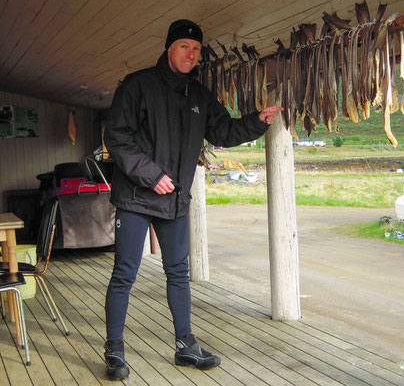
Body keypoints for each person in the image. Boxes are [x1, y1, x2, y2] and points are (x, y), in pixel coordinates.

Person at [103, 19, 282, 381]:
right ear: (170, 48)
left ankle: (186, 345)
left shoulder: (198, 95)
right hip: (138, 197)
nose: (192, 54)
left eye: (197, 49)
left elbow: (223, 131)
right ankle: (115, 351)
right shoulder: (138, 86)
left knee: (178, 274)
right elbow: (117, 138)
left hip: (174, 202)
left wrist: (257, 121)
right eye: (185, 46)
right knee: (125, 273)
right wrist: (152, 175)